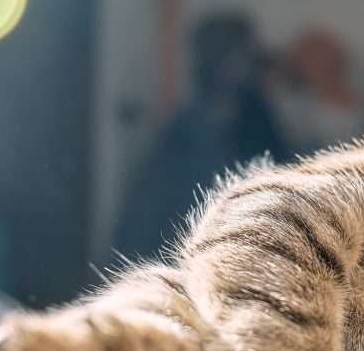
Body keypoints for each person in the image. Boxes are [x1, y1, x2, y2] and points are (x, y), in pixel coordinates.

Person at [117, 13, 285, 259]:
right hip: (190, 253)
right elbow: (146, 218)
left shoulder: (261, 119)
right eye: (229, 55)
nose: (237, 66)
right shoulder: (183, 130)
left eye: (242, 55)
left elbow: (281, 179)